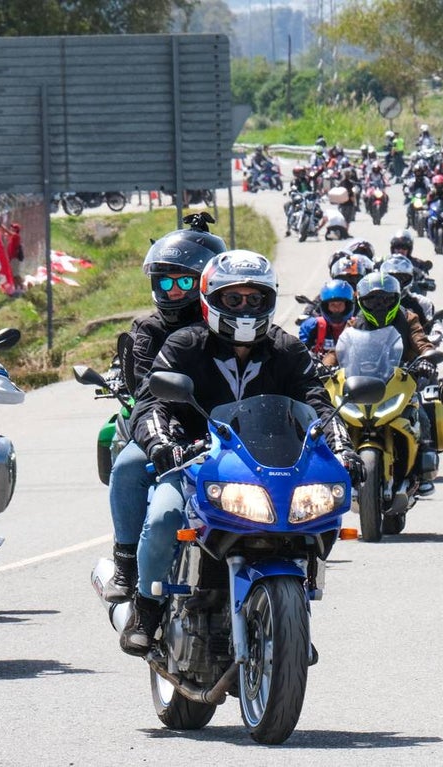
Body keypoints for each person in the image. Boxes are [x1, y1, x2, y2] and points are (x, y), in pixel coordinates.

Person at [121, 250, 361, 655]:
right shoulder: (185, 345)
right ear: (211, 299)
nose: (245, 308)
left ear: (270, 300)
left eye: (255, 298)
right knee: (163, 517)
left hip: (269, 466)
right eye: (234, 299)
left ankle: (291, 615)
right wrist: (161, 444)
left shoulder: (286, 349)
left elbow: (317, 402)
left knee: (317, 516)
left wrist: (343, 449)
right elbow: (152, 402)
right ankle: (146, 608)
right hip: (195, 461)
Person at [101, 216, 226, 604]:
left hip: (228, 432)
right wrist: (161, 438)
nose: (173, 291)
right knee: (127, 466)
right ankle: (126, 563)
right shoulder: (149, 329)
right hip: (165, 428)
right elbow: (146, 390)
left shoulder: (230, 323)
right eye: (165, 282)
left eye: (184, 282)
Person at [348, 272, 439, 494]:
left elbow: (422, 342)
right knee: (336, 416)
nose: (379, 306)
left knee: (421, 415)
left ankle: (422, 471)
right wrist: (324, 365)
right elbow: (341, 348)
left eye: (385, 300)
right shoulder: (356, 322)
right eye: (373, 301)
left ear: (396, 299)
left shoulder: (408, 318)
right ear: (362, 302)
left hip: (401, 379)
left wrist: (427, 358)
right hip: (365, 381)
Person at [297, 278, 356, 366]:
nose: (336, 308)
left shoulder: (357, 326)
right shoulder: (312, 326)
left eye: (340, 304)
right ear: (325, 306)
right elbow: (301, 356)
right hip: (321, 373)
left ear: (348, 305)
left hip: (354, 372)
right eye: (332, 305)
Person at [0, 220, 25, 295]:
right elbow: (4, 232)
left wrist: (0, 224)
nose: (11, 228)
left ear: (16, 230)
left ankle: (21, 288)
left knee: (15, 275)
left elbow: (7, 232)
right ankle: (17, 288)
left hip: (15, 259)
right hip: (12, 259)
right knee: (13, 275)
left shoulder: (16, 236)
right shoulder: (12, 237)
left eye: (13, 228)